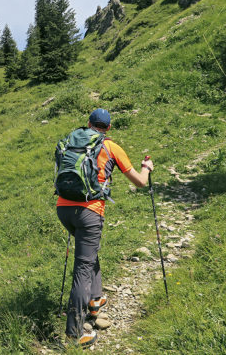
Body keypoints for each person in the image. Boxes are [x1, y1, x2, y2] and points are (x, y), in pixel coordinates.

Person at [56, 108, 154, 347]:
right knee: (82, 268)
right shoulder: (111, 147)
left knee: (88, 255)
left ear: (88, 123)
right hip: (90, 212)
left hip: (63, 208)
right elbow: (140, 182)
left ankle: (95, 300)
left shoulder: (70, 141)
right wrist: (146, 168)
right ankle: (75, 333)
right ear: (108, 128)